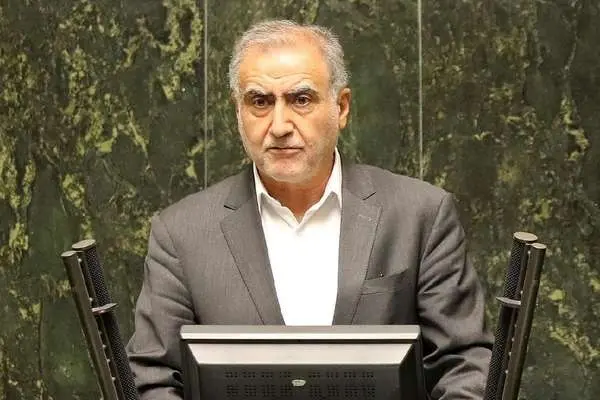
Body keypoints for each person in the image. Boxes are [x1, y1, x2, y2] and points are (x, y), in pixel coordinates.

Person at [126, 19, 493, 399]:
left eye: (301, 99)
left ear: (342, 107)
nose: (279, 125)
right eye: (260, 102)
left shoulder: (420, 215)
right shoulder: (181, 234)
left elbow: (465, 362)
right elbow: (152, 378)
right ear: (238, 111)